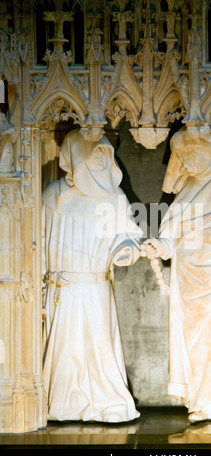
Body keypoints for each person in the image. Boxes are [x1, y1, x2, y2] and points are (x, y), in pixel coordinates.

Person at [143, 125, 211, 425]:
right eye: (181, 155)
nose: (187, 161)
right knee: (198, 342)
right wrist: (160, 245)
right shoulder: (189, 188)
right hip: (192, 280)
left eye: (192, 153)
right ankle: (204, 402)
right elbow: (172, 234)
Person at [42, 128, 142, 423]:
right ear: (74, 157)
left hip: (95, 286)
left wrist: (125, 249)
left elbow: (127, 234)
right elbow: (34, 240)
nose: (99, 162)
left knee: (98, 346)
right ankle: (63, 403)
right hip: (61, 289)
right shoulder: (52, 196)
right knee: (65, 349)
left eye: (104, 156)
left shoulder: (114, 197)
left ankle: (105, 400)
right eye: (93, 156)